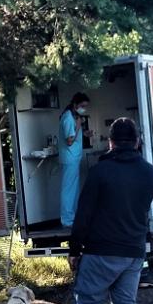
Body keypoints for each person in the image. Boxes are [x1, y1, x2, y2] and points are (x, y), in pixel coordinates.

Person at [54, 118, 153, 304]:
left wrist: (75, 249)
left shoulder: (101, 171)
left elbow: (84, 214)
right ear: (138, 141)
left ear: (111, 142)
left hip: (100, 251)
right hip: (133, 254)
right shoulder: (149, 172)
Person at [58, 92, 93, 228]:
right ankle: (67, 219)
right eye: (82, 106)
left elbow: (73, 134)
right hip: (69, 158)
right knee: (68, 190)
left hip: (73, 158)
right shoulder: (67, 117)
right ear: (75, 105)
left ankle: (72, 217)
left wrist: (84, 133)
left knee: (73, 189)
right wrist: (79, 126)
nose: (84, 109)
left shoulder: (72, 116)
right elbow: (70, 141)